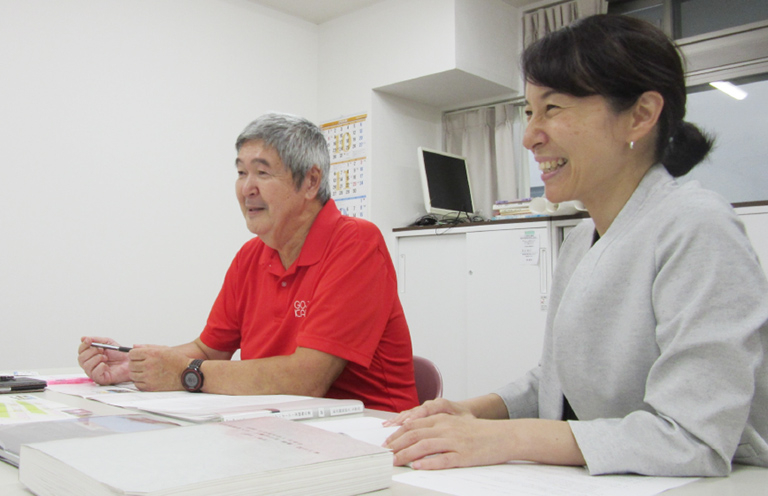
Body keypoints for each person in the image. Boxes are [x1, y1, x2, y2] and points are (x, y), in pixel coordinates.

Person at [384, 14, 768, 476]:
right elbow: (556, 381)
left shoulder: (696, 226)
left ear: (641, 116)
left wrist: (502, 438)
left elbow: (692, 438)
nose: (529, 136)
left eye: (554, 109)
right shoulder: (583, 238)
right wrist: (472, 412)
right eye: (528, 112)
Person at [78, 113, 419, 413]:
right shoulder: (250, 257)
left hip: (373, 438)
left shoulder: (356, 243)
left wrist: (184, 374)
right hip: (277, 428)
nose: (246, 188)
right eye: (241, 172)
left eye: (262, 172)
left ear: (311, 182)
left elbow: (307, 379)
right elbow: (207, 350)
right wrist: (133, 367)